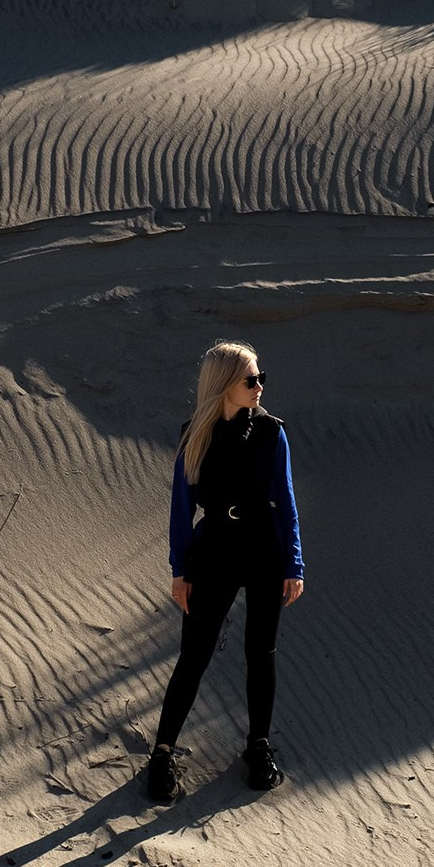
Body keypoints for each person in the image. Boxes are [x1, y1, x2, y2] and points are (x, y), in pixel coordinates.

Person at [145, 341, 304, 803]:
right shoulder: (194, 434)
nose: (259, 387)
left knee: (262, 651)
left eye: (260, 378)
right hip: (213, 548)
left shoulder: (273, 433)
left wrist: (294, 563)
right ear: (223, 385)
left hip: (263, 548)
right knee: (193, 655)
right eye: (250, 379)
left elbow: (287, 502)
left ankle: (258, 746)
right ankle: (162, 751)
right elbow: (181, 509)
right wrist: (180, 569)